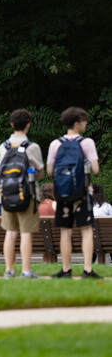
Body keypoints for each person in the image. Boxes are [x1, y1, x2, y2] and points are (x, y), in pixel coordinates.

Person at [47, 107, 101, 279]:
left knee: (65, 231)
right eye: (84, 121)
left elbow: (49, 172)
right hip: (82, 194)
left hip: (62, 195)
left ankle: (65, 270)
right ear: (76, 124)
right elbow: (96, 169)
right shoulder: (87, 143)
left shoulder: (56, 144)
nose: (86, 124)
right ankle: (87, 270)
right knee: (86, 231)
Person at [0, 109, 44, 279]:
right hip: (27, 195)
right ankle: (25, 271)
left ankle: (9, 271)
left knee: (10, 233)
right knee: (25, 233)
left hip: (7, 195)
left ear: (11, 125)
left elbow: (0, 170)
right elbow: (40, 172)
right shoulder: (32, 147)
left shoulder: (3, 147)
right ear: (28, 125)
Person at [92, 184, 112, 265]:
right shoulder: (107, 207)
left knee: (92, 240)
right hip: (107, 241)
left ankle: (89, 265)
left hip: (91, 241)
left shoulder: (86, 207)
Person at [38, 182, 57, 263]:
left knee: (45, 239)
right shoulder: (55, 205)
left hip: (38, 241)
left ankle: (45, 265)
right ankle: (53, 265)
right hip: (55, 240)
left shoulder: (36, 206)